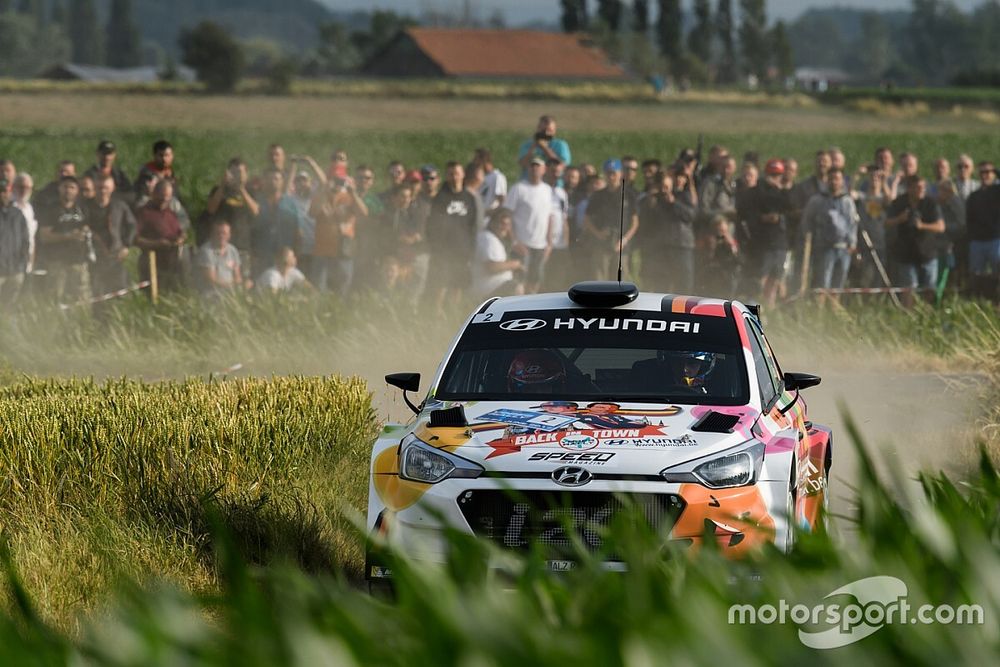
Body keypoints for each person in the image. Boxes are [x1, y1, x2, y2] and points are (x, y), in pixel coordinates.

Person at [740, 158, 793, 307]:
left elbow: (791, 210)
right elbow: (748, 215)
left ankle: (769, 309)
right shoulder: (756, 192)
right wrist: (763, 218)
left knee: (775, 279)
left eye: (778, 175)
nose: (775, 178)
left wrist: (782, 189)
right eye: (772, 174)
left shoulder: (785, 192)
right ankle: (754, 307)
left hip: (780, 243)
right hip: (763, 243)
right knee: (760, 278)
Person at [426, 161, 477, 309]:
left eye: (457, 173)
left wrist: (471, 248)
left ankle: (453, 313)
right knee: (441, 283)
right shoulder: (441, 198)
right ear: (446, 177)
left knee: (458, 283)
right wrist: (436, 248)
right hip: (443, 250)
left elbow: (472, 226)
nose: (454, 177)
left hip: (462, 249)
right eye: (451, 174)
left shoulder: (469, 198)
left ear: (463, 175)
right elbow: (432, 226)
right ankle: (437, 314)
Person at [638, 170, 697, 293]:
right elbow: (644, 222)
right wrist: (650, 203)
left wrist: (674, 203)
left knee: (684, 282)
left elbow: (691, 216)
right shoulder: (651, 200)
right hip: (661, 247)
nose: (664, 190)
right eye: (661, 187)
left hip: (682, 244)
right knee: (662, 283)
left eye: (666, 187)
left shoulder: (683, 196)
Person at [36, 175, 93, 304]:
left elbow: (87, 228)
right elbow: (44, 236)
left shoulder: (82, 209)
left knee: (81, 299)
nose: (68, 190)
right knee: (54, 298)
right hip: (57, 262)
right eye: (65, 187)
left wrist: (84, 232)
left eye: (72, 187)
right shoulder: (51, 209)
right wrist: (68, 236)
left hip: (79, 261)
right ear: (59, 189)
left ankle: (79, 322)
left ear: (77, 190)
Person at [801, 168, 858, 291]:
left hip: (843, 248)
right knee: (823, 282)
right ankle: (820, 308)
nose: (834, 182)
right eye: (831, 179)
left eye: (837, 179)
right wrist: (809, 238)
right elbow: (807, 221)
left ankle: (833, 308)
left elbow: (852, 223)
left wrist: (852, 243)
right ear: (827, 180)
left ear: (842, 181)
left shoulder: (847, 201)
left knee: (838, 283)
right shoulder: (817, 200)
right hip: (824, 247)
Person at [310, 175, 368, 295]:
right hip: (322, 251)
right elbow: (312, 212)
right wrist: (324, 191)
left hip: (344, 251)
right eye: (334, 181)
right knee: (318, 289)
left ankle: (339, 312)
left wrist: (353, 193)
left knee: (342, 289)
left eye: (340, 182)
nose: (337, 184)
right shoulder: (321, 197)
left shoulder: (349, 198)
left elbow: (363, 213)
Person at [886, 175, 945, 292]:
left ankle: (927, 310)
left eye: (924, 187)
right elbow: (886, 223)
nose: (922, 190)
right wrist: (899, 219)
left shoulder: (930, 203)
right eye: (918, 187)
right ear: (909, 188)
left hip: (927, 253)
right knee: (909, 288)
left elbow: (940, 227)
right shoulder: (899, 202)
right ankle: (907, 310)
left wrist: (922, 225)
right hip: (906, 254)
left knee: (929, 288)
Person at [583, 159, 639, 281]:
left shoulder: (629, 194)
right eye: (608, 173)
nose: (611, 176)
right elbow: (587, 218)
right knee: (599, 278)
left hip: (622, 244)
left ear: (620, 174)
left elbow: (635, 222)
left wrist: (624, 239)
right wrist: (598, 234)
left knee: (620, 280)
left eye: (614, 173)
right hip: (602, 243)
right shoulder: (598, 195)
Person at [505, 156, 554, 294]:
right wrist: (514, 240)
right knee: (519, 283)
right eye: (532, 166)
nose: (534, 169)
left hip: (540, 246)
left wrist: (549, 243)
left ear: (544, 169)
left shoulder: (547, 190)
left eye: (538, 166)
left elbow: (549, 217)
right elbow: (506, 215)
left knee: (535, 282)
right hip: (522, 245)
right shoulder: (518, 188)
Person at [88, 174, 136, 295]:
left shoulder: (119, 206)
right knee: (96, 291)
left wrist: (126, 246)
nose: (103, 191)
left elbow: (132, 225)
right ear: (94, 187)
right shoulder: (86, 206)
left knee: (120, 289)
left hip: (117, 255)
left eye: (106, 187)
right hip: (95, 257)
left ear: (112, 188)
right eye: (100, 187)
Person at [135, 179, 185, 293]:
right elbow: (135, 239)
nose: (164, 199)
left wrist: (181, 237)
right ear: (154, 194)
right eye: (162, 196)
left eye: (168, 196)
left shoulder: (170, 213)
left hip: (172, 262)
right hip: (151, 263)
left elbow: (179, 232)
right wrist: (156, 244)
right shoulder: (143, 213)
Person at [203, 157, 259, 254]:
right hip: (222, 244)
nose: (237, 175)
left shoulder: (251, 191)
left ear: (246, 174)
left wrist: (241, 189)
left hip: (243, 244)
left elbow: (256, 211)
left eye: (240, 172)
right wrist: (222, 185)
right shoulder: (218, 190)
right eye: (234, 172)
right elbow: (211, 209)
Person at [252, 169, 301, 278]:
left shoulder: (290, 203)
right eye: (269, 178)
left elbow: (298, 231)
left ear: (282, 181)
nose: (273, 181)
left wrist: (295, 255)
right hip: (262, 254)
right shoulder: (256, 201)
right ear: (264, 181)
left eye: (276, 179)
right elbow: (250, 229)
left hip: (285, 255)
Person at [472, 207, 524, 298]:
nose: (505, 228)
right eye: (502, 223)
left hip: (494, 287)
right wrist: (515, 265)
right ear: (492, 222)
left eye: (508, 224)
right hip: (488, 290)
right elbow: (492, 267)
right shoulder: (488, 239)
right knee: (517, 287)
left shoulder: (492, 238)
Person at [966, 161, 1000, 301]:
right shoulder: (974, 196)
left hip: (996, 239)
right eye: (982, 172)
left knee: (998, 272)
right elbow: (969, 219)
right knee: (976, 274)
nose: (984, 175)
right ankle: (977, 300)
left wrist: (996, 171)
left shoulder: (997, 191)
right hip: (978, 241)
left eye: (988, 172)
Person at [0, 177, 30, 305]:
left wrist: (22, 265)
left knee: (10, 308)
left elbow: (25, 241)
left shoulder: (18, 214)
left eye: (5, 191)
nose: (3, 194)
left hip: (15, 270)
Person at [196, 220, 242, 296]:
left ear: (229, 235)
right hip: (212, 293)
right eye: (218, 233)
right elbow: (211, 280)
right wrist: (230, 286)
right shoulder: (206, 251)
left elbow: (237, 276)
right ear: (212, 234)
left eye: (224, 233)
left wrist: (236, 285)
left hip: (231, 292)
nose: (221, 236)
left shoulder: (233, 250)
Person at [543, 159, 570, 290]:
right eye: (553, 171)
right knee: (542, 277)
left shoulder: (561, 193)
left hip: (560, 244)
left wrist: (567, 242)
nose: (556, 175)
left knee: (558, 278)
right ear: (546, 170)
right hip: (542, 243)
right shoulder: (540, 190)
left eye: (558, 172)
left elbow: (564, 219)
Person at [517, 115, 571, 181]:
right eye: (543, 130)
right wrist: (534, 146)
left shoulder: (561, 145)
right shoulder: (527, 145)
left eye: (549, 130)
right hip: (529, 182)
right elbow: (523, 164)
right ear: (538, 129)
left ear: (554, 131)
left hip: (553, 184)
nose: (546, 133)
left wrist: (545, 148)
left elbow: (562, 165)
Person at [11, 173, 37, 273]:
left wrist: (32, 259)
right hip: (10, 260)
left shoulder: (29, 209)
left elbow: (31, 237)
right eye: (21, 187)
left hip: (27, 260)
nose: (24, 191)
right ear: (14, 187)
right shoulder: (8, 207)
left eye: (27, 188)